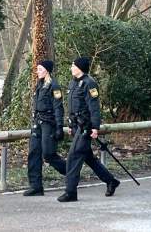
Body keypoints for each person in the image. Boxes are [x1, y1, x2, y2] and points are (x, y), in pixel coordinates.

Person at [57, 57, 120, 202]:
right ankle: (111, 181)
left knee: (74, 156)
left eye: (73, 65)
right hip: (77, 127)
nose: (71, 68)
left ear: (80, 67)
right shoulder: (73, 83)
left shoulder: (89, 83)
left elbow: (94, 108)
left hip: (86, 127)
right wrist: (71, 126)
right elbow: (72, 108)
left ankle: (70, 192)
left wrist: (95, 127)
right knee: (88, 158)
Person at [23, 60, 67, 196]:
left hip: (49, 123)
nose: (38, 72)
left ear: (47, 70)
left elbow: (58, 107)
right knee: (34, 153)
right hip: (37, 123)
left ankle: (71, 172)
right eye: (37, 69)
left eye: (40, 69)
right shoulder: (39, 84)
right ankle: (36, 186)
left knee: (48, 154)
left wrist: (59, 126)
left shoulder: (54, 86)